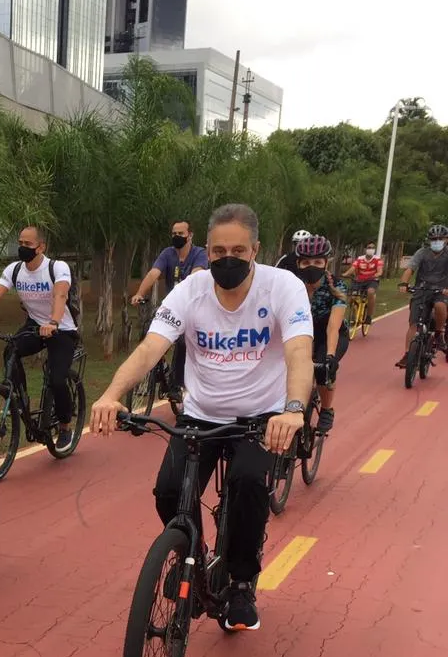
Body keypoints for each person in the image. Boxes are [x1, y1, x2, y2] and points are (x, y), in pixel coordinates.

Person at [91, 203, 314, 633]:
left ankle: (242, 583)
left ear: (256, 250)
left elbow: (298, 352)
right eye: (217, 251)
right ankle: (190, 550)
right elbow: (150, 349)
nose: (226, 258)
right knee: (168, 491)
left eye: (237, 249)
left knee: (248, 484)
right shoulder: (190, 292)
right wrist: (111, 395)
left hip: (261, 417)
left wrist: (292, 410)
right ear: (205, 252)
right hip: (201, 414)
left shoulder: (282, 286)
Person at [0, 225, 77, 448]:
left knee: (57, 378)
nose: (23, 248)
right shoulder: (15, 270)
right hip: (34, 325)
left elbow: (60, 294)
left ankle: (65, 426)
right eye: (20, 243)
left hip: (62, 329)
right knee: (11, 350)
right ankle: (20, 399)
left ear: (41, 247)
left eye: (27, 244)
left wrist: (53, 322)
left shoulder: (57, 267)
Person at [130, 220, 210, 402]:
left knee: (182, 341)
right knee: (149, 334)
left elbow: (196, 275)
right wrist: (140, 293)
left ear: (190, 235)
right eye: (174, 234)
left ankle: (176, 384)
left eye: (180, 234)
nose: (176, 237)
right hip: (172, 308)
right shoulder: (168, 253)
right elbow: (153, 273)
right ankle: (158, 369)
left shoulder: (200, 254)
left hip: (193, 307)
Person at [293, 234, 347, 431]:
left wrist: (330, 356)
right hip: (302, 332)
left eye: (317, 262)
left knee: (323, 369)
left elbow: (333, 326)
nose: (311, 266)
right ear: (298, 263)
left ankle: (326, 409)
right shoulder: (292, 284)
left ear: (326, 262)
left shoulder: (337, 286)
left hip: (329, 334)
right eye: (306, 262)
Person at [396, 223, 448, 367]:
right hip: (422, 290)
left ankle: (438, 334)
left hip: (441, 291)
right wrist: (403, 284)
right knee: (414, 324)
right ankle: (407, 354)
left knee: (440, 306)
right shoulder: (422, 253)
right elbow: (410, 269)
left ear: (446, 239)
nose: (437, 241)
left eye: (440, 238)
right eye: (433, 239)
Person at [344, 240, 384, 325]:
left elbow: (380, 271)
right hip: (359, 280)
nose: (371, 249)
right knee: (352, 295)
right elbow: (353, 268)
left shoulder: (377, 259)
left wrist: (376, 275)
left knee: (370, 292)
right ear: (365, 249)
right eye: (369, 247)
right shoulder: (360, 259)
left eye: (373, 248)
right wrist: (345, 274)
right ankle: (354, 313)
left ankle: (368, 316)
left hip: (372, 280)